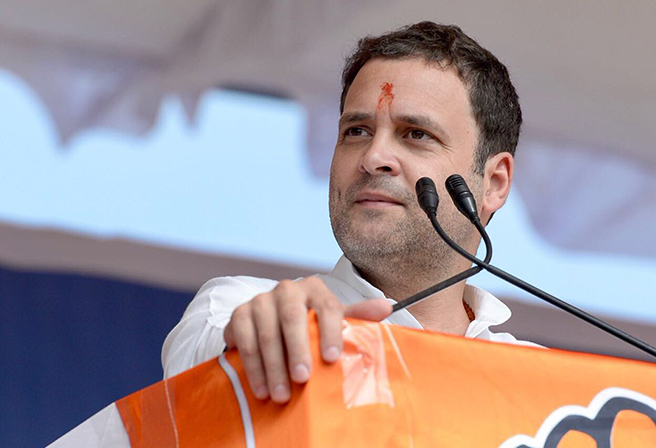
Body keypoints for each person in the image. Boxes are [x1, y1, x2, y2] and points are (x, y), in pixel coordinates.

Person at [162, 21, 537, 404]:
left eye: (416, 134)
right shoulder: (240, 305)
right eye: (356, 131)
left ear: (493, 183)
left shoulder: (540, 387)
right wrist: (253, 341)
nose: (373, 158)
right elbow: (197, 380)